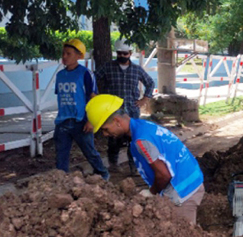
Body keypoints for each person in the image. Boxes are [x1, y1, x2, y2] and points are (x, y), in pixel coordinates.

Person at [85, 95, 205, 225]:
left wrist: (151, 192)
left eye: (105, 129)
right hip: (190, 178)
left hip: (183, 190)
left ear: (117, 121)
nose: (105, 134)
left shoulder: (142, 140)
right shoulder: (143, 125)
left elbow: (164, 175)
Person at [94, 39, 155, 172]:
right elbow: (93, 78)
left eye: (125, 54)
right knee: (112, 139)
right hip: (113, 111)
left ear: (130, 53)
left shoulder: (137, 70)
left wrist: (144, 99)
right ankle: (113, 165)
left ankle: (134, 167)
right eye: (119, 53)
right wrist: (95, 96)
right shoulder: (108, 67)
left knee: (133, 139)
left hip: (132, 111)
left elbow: (150, 83)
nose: (122, 56)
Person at [54, 39, 109, 180]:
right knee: (61, 154)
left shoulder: (85, 74)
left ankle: (103, 174)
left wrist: (91, 120)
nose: (64, 56)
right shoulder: (60, 75)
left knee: (90, 151)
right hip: (62, 122)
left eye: (69, 53)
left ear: (79, 56)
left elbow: (93, 98)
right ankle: (62, 180)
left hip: (81, 122)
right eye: (63, 53)